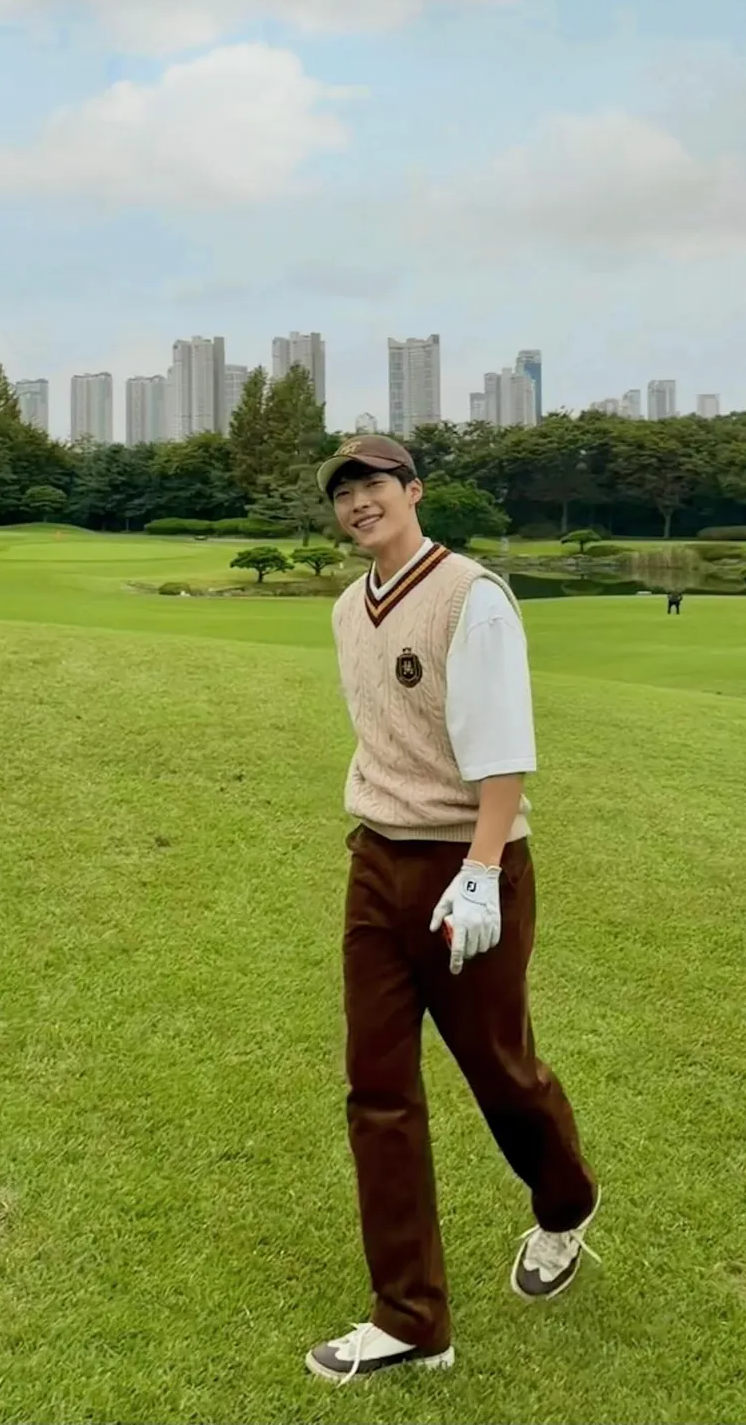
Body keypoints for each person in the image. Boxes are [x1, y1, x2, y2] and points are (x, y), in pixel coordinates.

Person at [305, 434, 599, 1386]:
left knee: (500, 1070)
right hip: (376, 861)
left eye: (375, 485)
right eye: (344, 492)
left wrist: (479, 870)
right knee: (376, 1088)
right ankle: (411, 1319)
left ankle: (566, 1202)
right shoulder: (347, 607)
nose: (359, 503)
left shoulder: (471, 597)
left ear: (414, 491)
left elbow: (503, 750)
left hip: (470, 864)